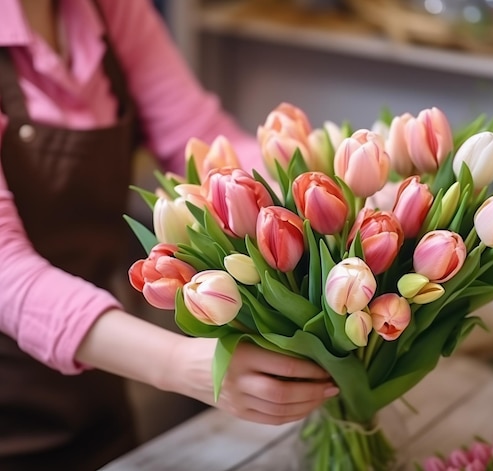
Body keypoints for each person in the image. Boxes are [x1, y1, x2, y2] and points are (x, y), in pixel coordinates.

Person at [0, 1, 339, 470]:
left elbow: (197, 139)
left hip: (101, 369)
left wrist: (324, 187)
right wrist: (178, 363)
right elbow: (5, 272)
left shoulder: (108, 9)